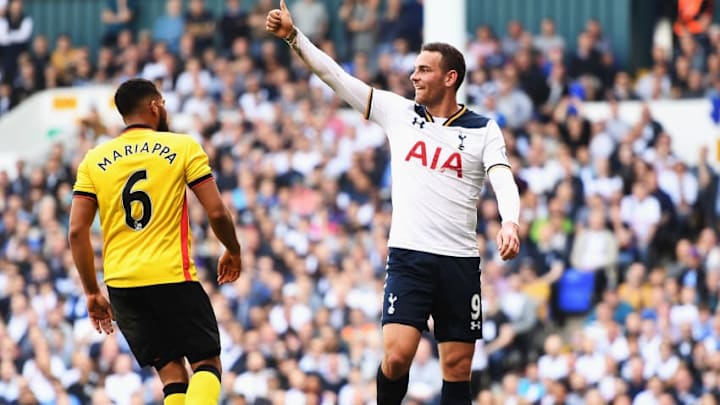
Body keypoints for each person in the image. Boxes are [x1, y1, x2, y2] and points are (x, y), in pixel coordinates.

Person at [266, 3, 521, 404]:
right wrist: (295, 38)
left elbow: (501, 176)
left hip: (458, 261)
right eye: (414, 68)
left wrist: (510, 221)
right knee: (397, 355)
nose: (412, 75)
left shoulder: (483, 130)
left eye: (423, 69)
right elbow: (337, 77)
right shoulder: (399, 113)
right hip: (409, 257)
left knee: (456, 368)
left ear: (450, 77)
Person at [68, 78, 243, 405]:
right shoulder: (182, 147)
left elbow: (77, 231)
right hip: (171, 274)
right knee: (206, 361)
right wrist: (232, 249)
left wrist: (92, 291)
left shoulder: (94, 159)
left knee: (170, 370)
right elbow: (217, 212)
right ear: (155, 106)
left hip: (122, 285)